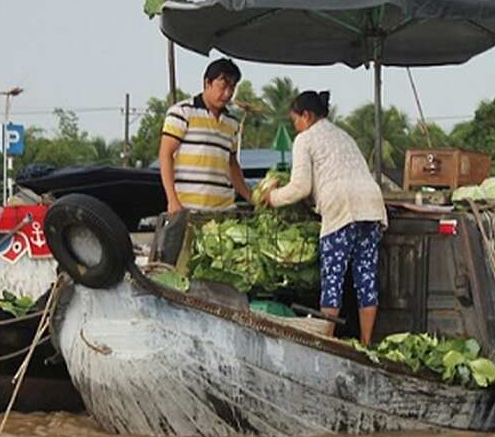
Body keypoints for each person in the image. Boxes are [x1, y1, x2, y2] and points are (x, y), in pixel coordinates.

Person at [261, 91, 387, 346]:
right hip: (371, 206)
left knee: (333, 279)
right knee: (366, 279)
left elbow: (300, 187)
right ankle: (365, 344)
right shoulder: (343, 135)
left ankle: (326, 343)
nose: (295, 126)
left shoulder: (305, 139)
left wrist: (271, 197)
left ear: (306, 116)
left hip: (342, 208)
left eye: (295, 120)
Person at [159, 58, 254, 214]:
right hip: (187, 209)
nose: (227, 94)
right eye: (223, 87)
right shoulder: (182, 112)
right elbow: (165, 154)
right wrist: (172, 200)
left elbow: (232, 164)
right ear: (207, 83)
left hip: (224, 210)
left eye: (232, 88)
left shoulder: (232, 123)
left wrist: (251, 197)